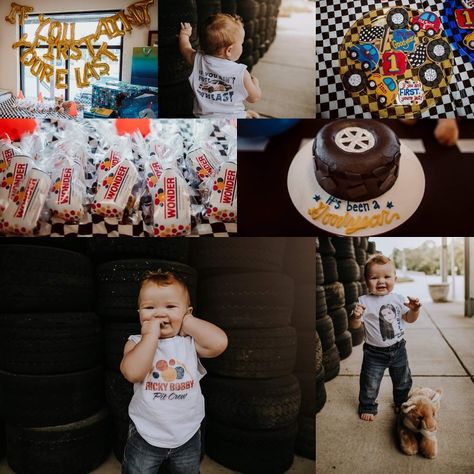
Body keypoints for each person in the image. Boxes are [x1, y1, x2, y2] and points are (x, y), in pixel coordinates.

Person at [120, 270, 228, 473]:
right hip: (146, 434)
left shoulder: (189, 343)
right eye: (150, 307)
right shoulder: (135, 342)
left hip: (187, 434)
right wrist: (150, 336)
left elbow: (219, 343)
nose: (160, 314)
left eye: (170, 307)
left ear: (187, 312)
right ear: (139, 313)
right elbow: (133, 373)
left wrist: (186, 322)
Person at [349, 254, 421, 422]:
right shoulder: (364, 302)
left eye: (387, 276)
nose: (381, 281)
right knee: (370, 382)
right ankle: (367, 405)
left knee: (403, 380)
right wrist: (356, 317)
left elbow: (409, 319)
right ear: (366, 280)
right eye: (374, 277)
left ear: (395, 278)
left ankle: (401, 402)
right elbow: (354, 326)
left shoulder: (398, 299)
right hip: (374, 353)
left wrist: (415, 310)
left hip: (398, 349)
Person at [179, 13, 262, 118]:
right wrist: (256, 84)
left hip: (202, 118)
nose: (242, 46)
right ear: (229, 50)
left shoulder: (198, 59)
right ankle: (243, 115)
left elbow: (185, 49)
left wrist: (184, 35)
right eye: (241, 43)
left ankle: (244, 114)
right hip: (231, 119)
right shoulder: (241, 72)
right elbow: (254, 98)